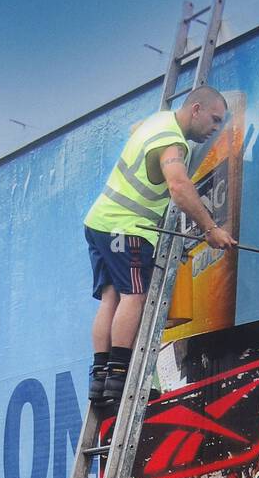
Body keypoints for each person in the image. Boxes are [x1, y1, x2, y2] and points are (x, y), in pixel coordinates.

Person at [84, 84, 238, 406]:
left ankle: (100, 379)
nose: (215, 128)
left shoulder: (158, 121)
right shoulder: (173, 142)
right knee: (134, 296)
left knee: (111, 298)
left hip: (100, 223)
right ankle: (120, 376)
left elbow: (134, 130)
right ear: (195, 109)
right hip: (128, 228)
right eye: (213, 119)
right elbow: (179, 186)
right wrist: (210, 228)